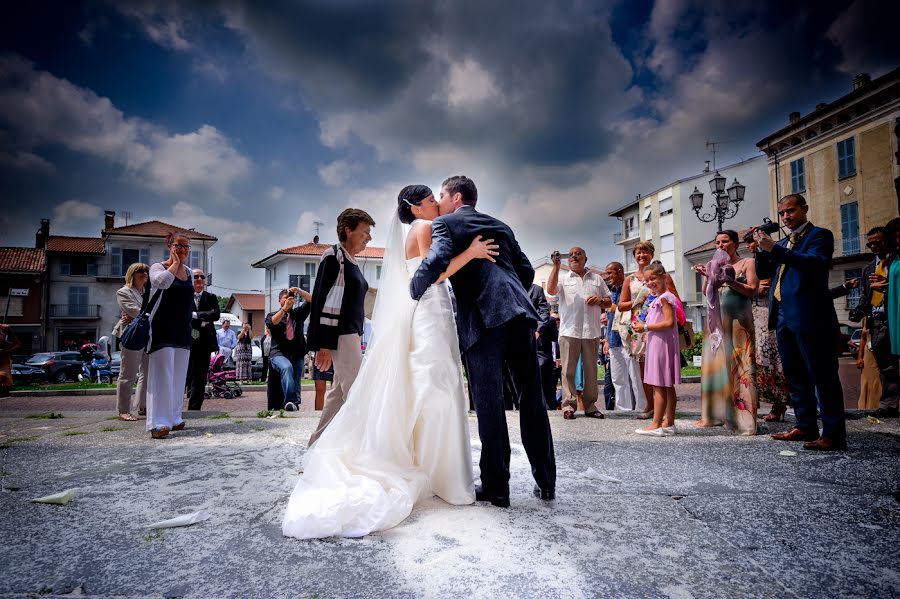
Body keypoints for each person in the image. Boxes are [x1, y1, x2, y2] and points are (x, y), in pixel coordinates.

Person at [282, 184, 495, 539]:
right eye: (430, 201)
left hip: (426, 310)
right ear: (415, 207)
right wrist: (472, 252)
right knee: (437, 384)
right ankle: (442, 470)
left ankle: (430, 461)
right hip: (431, 308)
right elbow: (436, 274)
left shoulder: (416, 230)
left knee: (429, 383)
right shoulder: (424, 228)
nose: (435, 205)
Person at [410, 175, 556, 507]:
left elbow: (436, 262)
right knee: (532, 399)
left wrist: (415, 286)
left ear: (456, 197)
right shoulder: (501, 225)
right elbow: (527, 272)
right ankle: (546, 480)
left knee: (490, 405)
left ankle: (497, 487)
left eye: (442, 195)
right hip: (519, 314)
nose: (439, 201)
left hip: (482, 321)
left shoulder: (446, 224)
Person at [754, 193, 846, 451]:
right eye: (782, 213)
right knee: (795, 375)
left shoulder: (819, 236)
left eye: (791, 211)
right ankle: (805, 426)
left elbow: (814, 264)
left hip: (810, 315)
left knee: (823, 375)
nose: (786, 217)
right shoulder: (783, 242)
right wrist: (762, 251)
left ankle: (833, 434)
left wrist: (775, 249)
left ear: (804, 209)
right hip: (782, 314)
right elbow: (764, 273)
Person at [306, 208, 376, 445]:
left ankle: (316, 444)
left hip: (352, 335)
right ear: (348, 230)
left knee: (336, 396)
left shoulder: (351, 260)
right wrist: (324, 345)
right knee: (357, 394)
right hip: (341, 336)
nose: (369, 237)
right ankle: (362, 449)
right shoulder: (334, 256)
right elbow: (325, 301)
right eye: (365, 232)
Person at [693, 231, 759, 435]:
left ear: (735, 243)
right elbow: (706, 292)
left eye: (726, 241)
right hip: (716, 322)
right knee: (716, 365)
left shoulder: (747, 262)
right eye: (718, 242)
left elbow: (753, 290)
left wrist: (729, 281)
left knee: (739, 367)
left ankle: (742, 421)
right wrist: (708, 277)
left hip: (738, 322)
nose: (721, 245)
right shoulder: (714, 263)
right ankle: (713, 416)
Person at [617, 241, 680, 419]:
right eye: (638, 253)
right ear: (634, 256)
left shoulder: (661, 275)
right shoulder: (630, 279)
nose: (641, 255)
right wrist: (638, 301)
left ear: (651, 254)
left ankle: (665, 410)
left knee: (660, 368)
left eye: (645, 252)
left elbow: (675, 298)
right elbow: (621, 306)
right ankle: (651, 406)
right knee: (645, 368)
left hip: (659, 324)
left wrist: (656, 300)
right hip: (638, 326)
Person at [546, 247, 611, 420]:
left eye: (578, 254)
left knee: (591, 371)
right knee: (568, 370)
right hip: (569, 330)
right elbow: (551, 290)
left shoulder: (597, 278)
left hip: (591, 330)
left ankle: (590, 406)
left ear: (585, 258)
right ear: (568, 259)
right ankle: (568, 406)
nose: (574, 256)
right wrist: (556, 266)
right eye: (572, 254)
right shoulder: (562, 278)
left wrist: (600, 300)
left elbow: (609, 301)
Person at [146, 233, 194, 439]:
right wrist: (174, 265)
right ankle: (157, 422)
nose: (182, 250)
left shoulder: (190, 273)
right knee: (162, 376)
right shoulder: (158, 267)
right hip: (162, 329)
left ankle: (174, 418)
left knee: (178, 377)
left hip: (182, 330)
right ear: (170, 246)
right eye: (178, 246)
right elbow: (161, 283)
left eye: (185, 247)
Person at [631, 263, 680, 436]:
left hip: (661, 344)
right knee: (666, 385)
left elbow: (669, 322)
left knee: (659, 384)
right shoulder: (662, 297)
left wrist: (646, 327)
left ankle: (656, 424)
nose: (650, 283)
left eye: (653, 278)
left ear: (663, 276)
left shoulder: (664, 298)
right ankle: (669, 423)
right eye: (647, 280)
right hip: (661, 342)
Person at [856, 227, 899, 419]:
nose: (875, 246)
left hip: (894, 318)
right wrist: (859, 311)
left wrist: (887, 283)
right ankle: (888, 405)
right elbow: (866, 295)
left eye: (879, 242)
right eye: (871, 243)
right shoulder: (867, 269)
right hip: (877, 322)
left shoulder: (895, 263)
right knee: (886, 366)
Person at [604, 261, 646, 412]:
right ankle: (623, 410)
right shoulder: (611, 291)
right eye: (606, 273)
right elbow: (610, 319)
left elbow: (632, 307)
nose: (607, 276)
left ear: (620, 271)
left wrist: (616, 309)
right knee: (617, 378)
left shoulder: (629, 286)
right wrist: (607, 340)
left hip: (629, 338)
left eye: (610, 273)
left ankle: (642, 408)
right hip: (614, 338)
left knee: (635, 377)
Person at [111, 262, 150, 420]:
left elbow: (143, 313)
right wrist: (148, 314)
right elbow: (134, 311)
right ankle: (123, 410)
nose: (144, 273)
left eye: (146, 271)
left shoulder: (149, 292)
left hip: (149, 334)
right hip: (132, 335)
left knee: (146, 373)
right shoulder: (123, 292)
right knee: (128, 374)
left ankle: (143, 406)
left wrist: (144, 314)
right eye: (140, 271)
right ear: (131, 273)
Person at [266, 287, 312, 411]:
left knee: (296, 378)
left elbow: (312, 300)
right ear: (279, 300)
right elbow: (272, 322)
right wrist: (284, 309)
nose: (289, 301)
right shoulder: (272, 315)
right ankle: (290, 401)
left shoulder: (298, 313)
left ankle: (294, 404)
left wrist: (299, 291)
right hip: (278, 353)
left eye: (291, 299)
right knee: (286, 367)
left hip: (297, 353)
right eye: (286, 298)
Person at [186, 268, 219, 411]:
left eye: (202, 276)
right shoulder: (184, 296)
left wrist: (195, 315)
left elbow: (216, 315)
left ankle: (194, 407)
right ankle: (174, 407)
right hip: (187, 341)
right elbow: (182, 315)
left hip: (204, 342)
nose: (199, 279)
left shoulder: (210, 297)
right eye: (195, 276)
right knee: (186, 374)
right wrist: (204, 319)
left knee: (200, 376)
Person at [857, 317, 882, 410]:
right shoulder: (866, 319)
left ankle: (881, 407)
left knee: (881, 381)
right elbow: (863, 338)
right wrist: (860, 357)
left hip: (884, 352)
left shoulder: (887, 314)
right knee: (867, 381)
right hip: (869, 355)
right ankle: (868, 408)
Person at [536, 309, 560, 409]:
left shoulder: (526, 318)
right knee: (548, 388)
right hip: (545, 357)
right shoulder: (550, 320)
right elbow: (554, 337)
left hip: (531, 357)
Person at [0, 324, 21, 397]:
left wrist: (7, 350)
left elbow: (17, 344)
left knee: (3, 376)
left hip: (2, 360)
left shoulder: (4, 328)